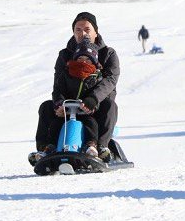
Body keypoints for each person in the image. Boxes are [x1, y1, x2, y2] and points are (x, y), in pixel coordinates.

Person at [30, 12, 120, 163]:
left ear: (95, 31)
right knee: (46, 107)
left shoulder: (108, 53)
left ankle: (100, 147)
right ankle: (44, 150)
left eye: (87, 29)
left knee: (110, 105)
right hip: (68, 106)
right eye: (78, 29)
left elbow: (110, 80)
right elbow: (58, 83)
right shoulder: (65, 55)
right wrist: (59, 104)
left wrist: (93, 99)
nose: (82, 33)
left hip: (96, 105)